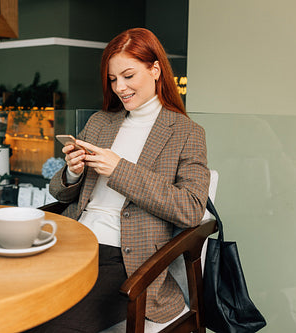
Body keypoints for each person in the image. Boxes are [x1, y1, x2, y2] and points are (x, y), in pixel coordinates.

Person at [27, 28, 210, 332]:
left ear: (155, 69)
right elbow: (58, 191)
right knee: (9, 307)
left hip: (124, 259)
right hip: (72, 242)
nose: (119, 88)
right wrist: (72, 171)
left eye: (128, 76)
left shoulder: (186, 132)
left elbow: (191, 207)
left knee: (49, 325)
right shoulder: (100, 122)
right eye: (113, 79)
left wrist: (119, 170)